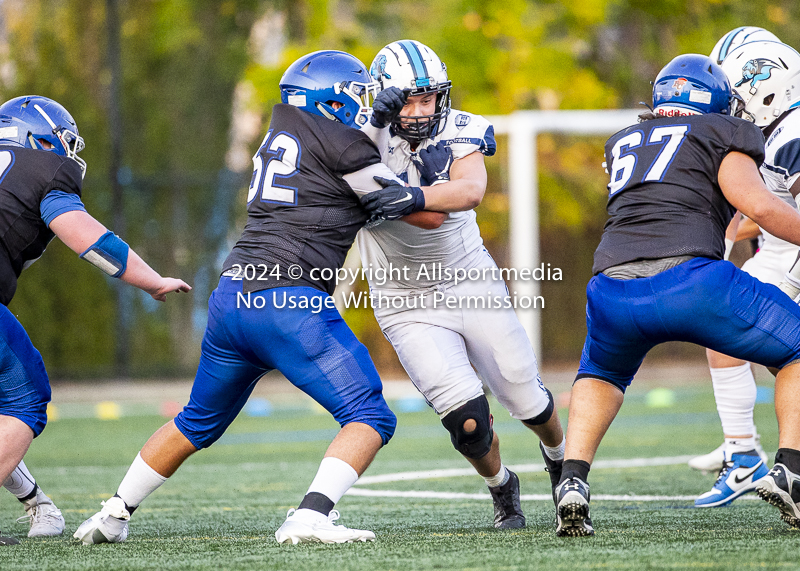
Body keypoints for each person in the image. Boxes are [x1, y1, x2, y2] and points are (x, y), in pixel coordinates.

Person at [74, 50, 431, 546]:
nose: (362, 105)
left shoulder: (279, 135)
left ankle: (113, 513)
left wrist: (373, 125)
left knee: (195, 421)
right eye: (357, 97)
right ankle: (309, 517)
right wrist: (429, 174)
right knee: (369, 414)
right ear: (335, 100)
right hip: (289, 302)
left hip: (232, 298)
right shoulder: (343, 145)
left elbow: (336, 164)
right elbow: (398, 201)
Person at [555, 54, 800, 537]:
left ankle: (572, 480)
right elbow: (760, 208)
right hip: (692, 283)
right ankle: (790, 470)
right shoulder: (720, 133)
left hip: (611, 289)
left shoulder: (624, 140)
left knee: (601, 372)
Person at [357, 39, 565, 529]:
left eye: (429, 98)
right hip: (403, 299)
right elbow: (356, 172)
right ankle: (502, 487)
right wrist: (372, 131)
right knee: (467, 422)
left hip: (469, 279)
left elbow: (469, 191)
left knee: (525, 396)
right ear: (382, 97)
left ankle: (560, 460)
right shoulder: (355, 136)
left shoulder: (460, 127)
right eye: (408, 99)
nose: (421, 109)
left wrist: (410, 195)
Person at [0, 95, 191, 545]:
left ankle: (37, 503)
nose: (69, 153)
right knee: (24, 397)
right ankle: (38, 504)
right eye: (63, 143)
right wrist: (151, 281)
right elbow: (90, 239)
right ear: (37, 139)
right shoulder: (42, 171)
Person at [691, 39, 800, 508]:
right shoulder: (771, 132)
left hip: (792, 250)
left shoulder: (792, 130)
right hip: (782, 250)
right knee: (723, 321)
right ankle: (744, 454)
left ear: (766, 84)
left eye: (737, 92)